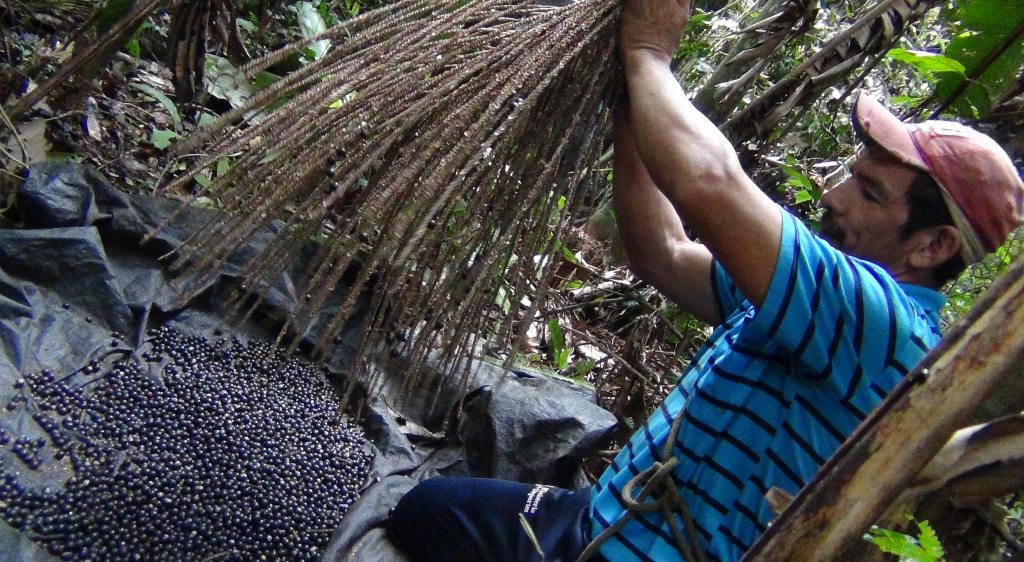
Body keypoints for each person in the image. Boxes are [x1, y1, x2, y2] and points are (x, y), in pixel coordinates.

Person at [385, 0, 1024, 560]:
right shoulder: (807, 308)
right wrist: (629, 119)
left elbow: (709, 185)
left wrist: (648, 52)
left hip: (630, 553)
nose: (834, 195)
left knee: (419, 515)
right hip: (600, 521)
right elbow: (662, 252)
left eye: (869, 192)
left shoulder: (879, 326)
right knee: (425, 508)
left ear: (932, 246)